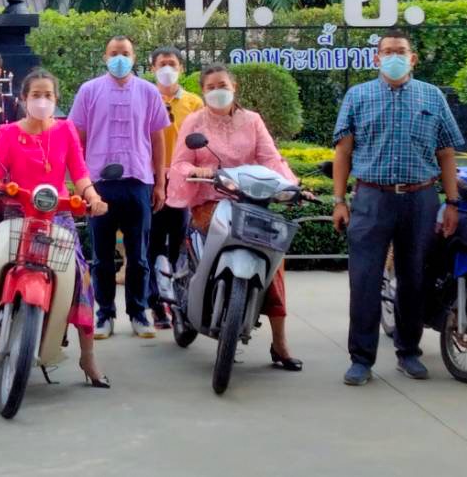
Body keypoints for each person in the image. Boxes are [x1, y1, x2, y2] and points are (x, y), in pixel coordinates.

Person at [331, 29, 463, 386]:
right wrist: (339, 201)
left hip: (420, 199)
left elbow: (446, 152)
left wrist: (452, 202)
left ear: (412, 58)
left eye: (400, 51)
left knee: (414, 278)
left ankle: (409, 352)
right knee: (364, 280)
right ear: (376, 58)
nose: (394, 56)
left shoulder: (432, 96)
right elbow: (343, 152)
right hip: (371, 198)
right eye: (387, 51)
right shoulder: (358, 96)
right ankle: (361, 359)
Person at [0, 69, 113, 387]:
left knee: (80, 276)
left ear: (56, 99)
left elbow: (79, 173)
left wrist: (93, 197)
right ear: (23, 99)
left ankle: (88, 355)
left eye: (48, 95)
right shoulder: (7, 132)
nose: (42, 100)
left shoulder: (65, 130)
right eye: (35, 95)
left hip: (58, 214)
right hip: (18, 212)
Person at [165, 64, 301, 368]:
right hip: (209, 202)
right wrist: (197, 170)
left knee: (275, 263)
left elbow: (270, 158)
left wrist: (293, 185)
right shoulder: (194, 122)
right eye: (211, 87)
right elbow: (180, 163)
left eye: (222, 85)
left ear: (234, 87)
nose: (217, 91)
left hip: (251, 204)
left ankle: (280, 342)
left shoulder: (252, 120)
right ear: (203, 91)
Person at [66, 36, 170, 339]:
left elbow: (158, 139)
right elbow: (77, 139)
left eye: (125, 53)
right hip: (99, 185)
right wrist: (80, 183)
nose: (119, 58)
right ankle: (104, 314)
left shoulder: (149, 92)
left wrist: (160, 183)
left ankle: (138, 313)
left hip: (138, 182)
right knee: (101, 257)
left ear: (134, 57)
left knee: (139, 256)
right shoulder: (89, 91)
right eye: (114, 53)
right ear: (105, 56)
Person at [146, 46, 202, 330]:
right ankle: (156, 305)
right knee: (152, 243)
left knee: (180, 244)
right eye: (161, 64)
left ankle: (179, 302)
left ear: (181, 68)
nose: (167, 69)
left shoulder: (194, 102)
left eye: (172, 63)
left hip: (182, 182)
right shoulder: (146, 98)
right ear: (152, 69)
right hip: (152, 179)